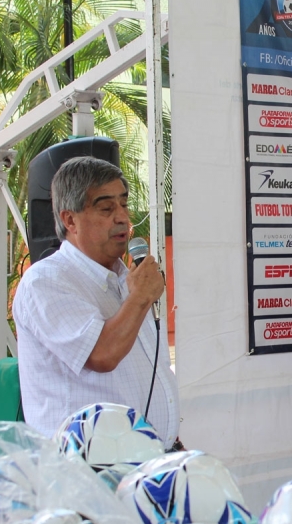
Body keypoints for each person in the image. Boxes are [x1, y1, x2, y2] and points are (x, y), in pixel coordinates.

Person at [13, 156, 180, 449]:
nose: (123, 218)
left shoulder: (125, 280)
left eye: (124, 205)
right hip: (85, 477)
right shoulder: (47, 282)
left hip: (146, 464)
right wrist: (140, 298)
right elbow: (102, 355)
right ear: (69, 220)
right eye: (106, 208)